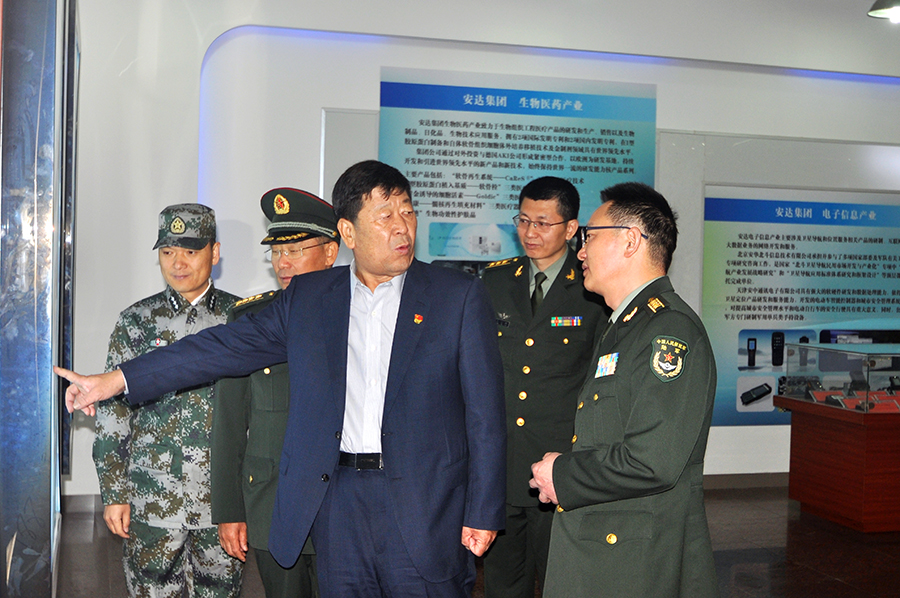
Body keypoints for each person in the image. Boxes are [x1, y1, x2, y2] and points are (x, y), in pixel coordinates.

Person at [57, 160, 506, 598]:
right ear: (348, 232)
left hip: (426, 504)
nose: (402, 227)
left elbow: (485, 415)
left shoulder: (456, 297)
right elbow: (219, 348)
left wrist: (483, 510)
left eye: (407, 212)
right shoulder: (312, 298)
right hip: (339, 502)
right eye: (385, 215)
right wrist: (116, 380)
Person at [529, 182, 718, 598]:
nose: (580, 252)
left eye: (589, 238)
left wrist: (562, 474)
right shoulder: (627, 326)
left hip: (634, 562)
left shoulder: (668, 331)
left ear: (631, 240)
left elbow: (652, 460)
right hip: (608, 548)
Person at [92, 204, 243, 597]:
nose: (178, 263)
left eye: (191, 251)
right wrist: (115, 493)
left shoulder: (243, 319)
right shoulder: (136, 322)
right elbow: (113, 414)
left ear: (215, 252)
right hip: (153, 497)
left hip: (221, 500)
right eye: (168, 251)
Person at [480, 177, 606, 598]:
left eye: (543, 223)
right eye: (523, 220)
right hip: (502, 463)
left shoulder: (592, 288)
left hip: (559, 463)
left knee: (560, 580)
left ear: (570, 229)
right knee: (502, 582)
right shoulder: (495, 281)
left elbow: (600, 379)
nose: (530, 232)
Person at [211, 188, 339, 598]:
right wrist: (229, 510)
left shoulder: (360, 318)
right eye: (277, 251)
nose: (283, 262)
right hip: (272, 503)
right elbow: (229, 423)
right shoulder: (249, 319)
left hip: (341, 504)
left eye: (296, 250)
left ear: (331, 251)